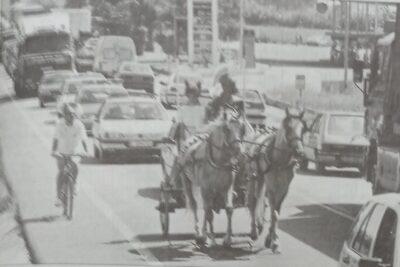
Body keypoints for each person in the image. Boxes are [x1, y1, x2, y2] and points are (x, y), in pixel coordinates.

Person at [52, 104, 88, 207]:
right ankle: (58, 197)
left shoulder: (79, 125)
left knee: (75, 166)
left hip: (74, 152)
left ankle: (75, 183)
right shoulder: (59, 124)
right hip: (62, 152)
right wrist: (54, 151)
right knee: (61, 172)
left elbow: (84, 139)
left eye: (73, 114)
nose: (71, 116)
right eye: (68, 114)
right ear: (64, 116)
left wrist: (86, 151)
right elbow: (55, 139)